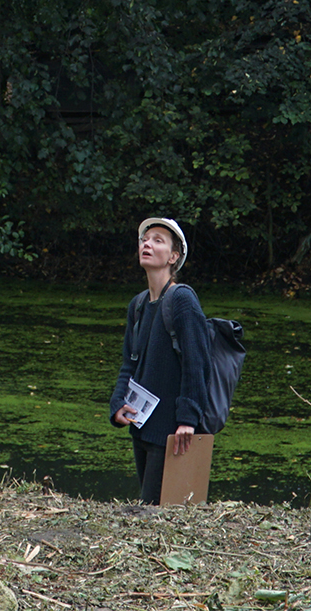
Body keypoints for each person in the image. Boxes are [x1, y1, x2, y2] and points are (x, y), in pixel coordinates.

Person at [108, 216, 210, 504]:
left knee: (157, 512)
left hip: (173, 433)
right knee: (147, 509)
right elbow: (130, 362)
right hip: (141, 428)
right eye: (145, 239)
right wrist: (117, 405)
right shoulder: (138, 304)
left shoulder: (182, 299)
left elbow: (197, 363)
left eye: (157, 240)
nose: (147, 244)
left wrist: (188, 419)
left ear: (173, 256)